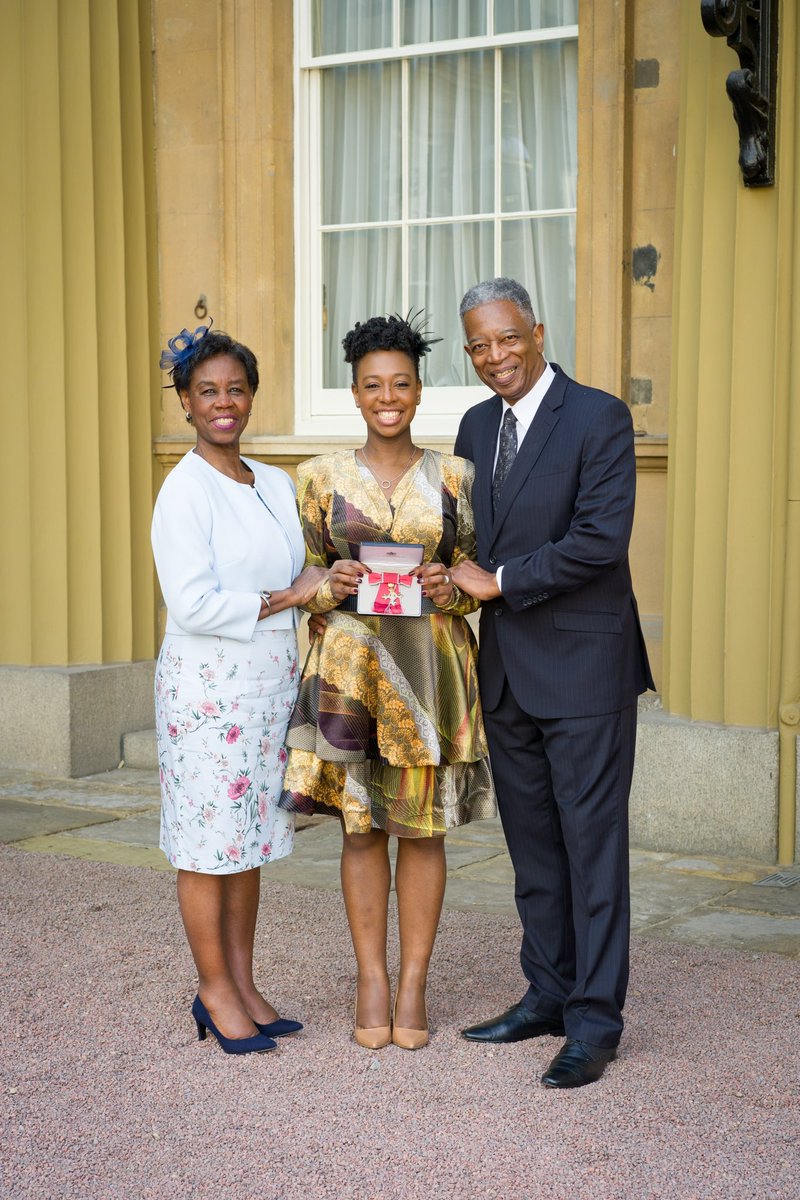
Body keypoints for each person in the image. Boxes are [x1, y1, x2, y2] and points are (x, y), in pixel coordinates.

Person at [450, 278, 655, 1088]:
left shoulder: (599, 416)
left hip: (584, 671)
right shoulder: (472, 425)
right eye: (479, 346)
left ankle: (596, 1022)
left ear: (537, 330)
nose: (495, 357)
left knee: (592, 850)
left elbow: (600, 540)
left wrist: (497, 581)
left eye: (507, 338)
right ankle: (548, 991)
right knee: (533, 850)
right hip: (506, 674)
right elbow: (463, 537)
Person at [280, 313, 496, 1050]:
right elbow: (304, 578)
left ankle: (414, 983)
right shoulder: (315, 477)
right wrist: (326, 584)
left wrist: (451, 589)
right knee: (362, 829)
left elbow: (474, 576)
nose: (387, 396)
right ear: (354, 392)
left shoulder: (459, 477)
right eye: (373, 384)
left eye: (400, 382)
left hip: (431, 670)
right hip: (350, 671)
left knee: (423, 831)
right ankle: (371, 976)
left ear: (419, 388)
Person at [152, 324, 324, 1055]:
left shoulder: (275, 482)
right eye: (208, 392)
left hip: (265, 692)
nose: (224, 403)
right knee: (205, 846)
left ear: (251, 396)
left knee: (247, 843)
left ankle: (245, 984)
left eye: (236, 389)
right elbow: (191, 603)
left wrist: (325, 591)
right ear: (186, 404)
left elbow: (305, 572)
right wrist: (289, 599)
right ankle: (212, 990)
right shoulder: (183, 490)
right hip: (205, 699)